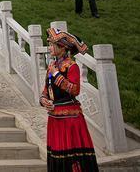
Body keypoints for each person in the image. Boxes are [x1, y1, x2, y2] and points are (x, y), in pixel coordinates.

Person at [40, 27, 99, 171]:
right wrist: (43, 100)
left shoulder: (72, 67)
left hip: (70, 118)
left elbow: (75, 90)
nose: (49, 48)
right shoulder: (52, 66)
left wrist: (56, 75)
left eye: (52, 45)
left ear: (62, 47)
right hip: (54, 117)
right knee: (57, 153)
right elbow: (46, 90)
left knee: (71, 154)